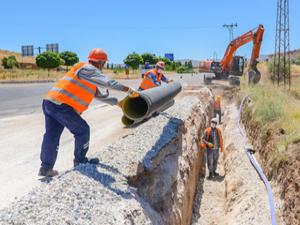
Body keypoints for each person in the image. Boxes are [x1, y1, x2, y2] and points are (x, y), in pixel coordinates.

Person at [39, 48, 139, 177]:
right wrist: (128, 90)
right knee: (82, 130)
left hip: (50, 103)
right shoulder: (89, 69)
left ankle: (46, 168)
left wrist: (118, 103)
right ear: (101, 62)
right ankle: (80, 160)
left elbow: (99, 95)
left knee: (51, 135)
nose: (104, 65)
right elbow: (108, 83)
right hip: (61, 105)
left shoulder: (88, 75)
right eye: (104, 63)